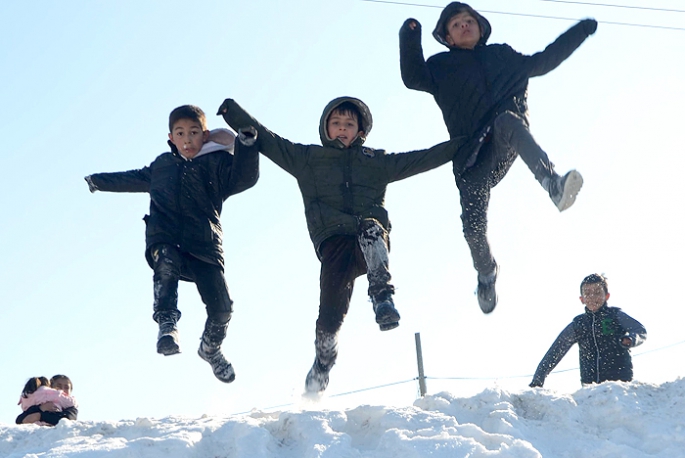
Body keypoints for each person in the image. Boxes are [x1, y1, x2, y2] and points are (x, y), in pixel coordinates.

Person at [217, 96, 470, 394]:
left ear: (360, 130)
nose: (342, 129)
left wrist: (466, 142)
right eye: (336, 123)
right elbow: (268, 140)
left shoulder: (377, 162)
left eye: (349, 124)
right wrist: (232, 112)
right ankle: (323, 361)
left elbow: (423, 157)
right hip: (333, 243)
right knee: (330, 316)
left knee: (371, 229)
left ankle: (382, 296)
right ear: (325, 127)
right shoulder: (307, 159)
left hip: (369, 245)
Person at [399, 2, 597, 313]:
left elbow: (543, 61)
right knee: (474, 228)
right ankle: (486, 274)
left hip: (503, 143)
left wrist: (580, 31)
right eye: (456, 25)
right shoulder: (440, 67)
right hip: (469, 160)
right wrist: (409, 35)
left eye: (469, 21)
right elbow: (412, 77)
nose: (465, 26)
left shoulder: (502, 55)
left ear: (480, 27)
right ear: (448, 38)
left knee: (508, 120)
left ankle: (552, 183)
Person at [85, 105, 259, 383]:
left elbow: (245, 177)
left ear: (205, 135)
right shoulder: (162, 165)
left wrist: (247, 145)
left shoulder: (216, 163)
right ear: (171, 137)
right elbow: (132, 178)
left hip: (204, 243)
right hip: (165, 237)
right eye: (181, 134)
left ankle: (211, 348)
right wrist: (98, 181)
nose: (187, 140)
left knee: (222, 308)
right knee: (165, 261)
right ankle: (167, 322)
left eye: (193, 133)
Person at [529, 274, 647, 388]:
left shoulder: (615, 316)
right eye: (587, 293)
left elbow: (639, 330)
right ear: (582, 299)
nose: (592, 297)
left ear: (607, 296)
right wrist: (538, 378)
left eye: (597, 292)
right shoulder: (579, 324)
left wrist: (631, 339)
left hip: (620, 386)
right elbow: (556, 351)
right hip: (591, 388)